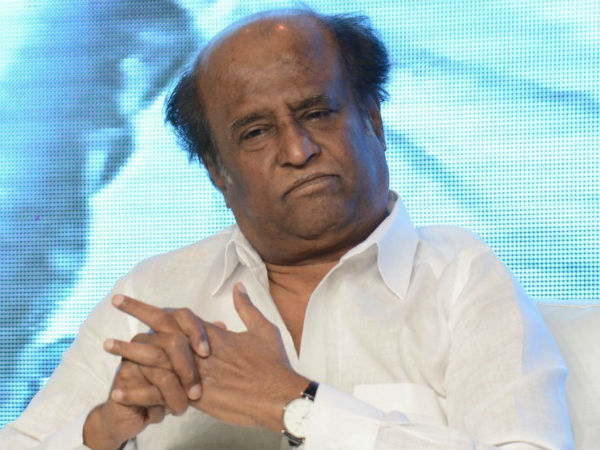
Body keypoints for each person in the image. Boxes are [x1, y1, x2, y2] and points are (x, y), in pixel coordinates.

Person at [0, 8, 573, 450]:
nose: (298, 151)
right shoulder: (151, 295)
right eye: (255, 133)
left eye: (317, 113)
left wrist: (297, 406)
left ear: (371, 119)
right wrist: (102, 431)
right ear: (217, 171)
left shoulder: (459, 276)